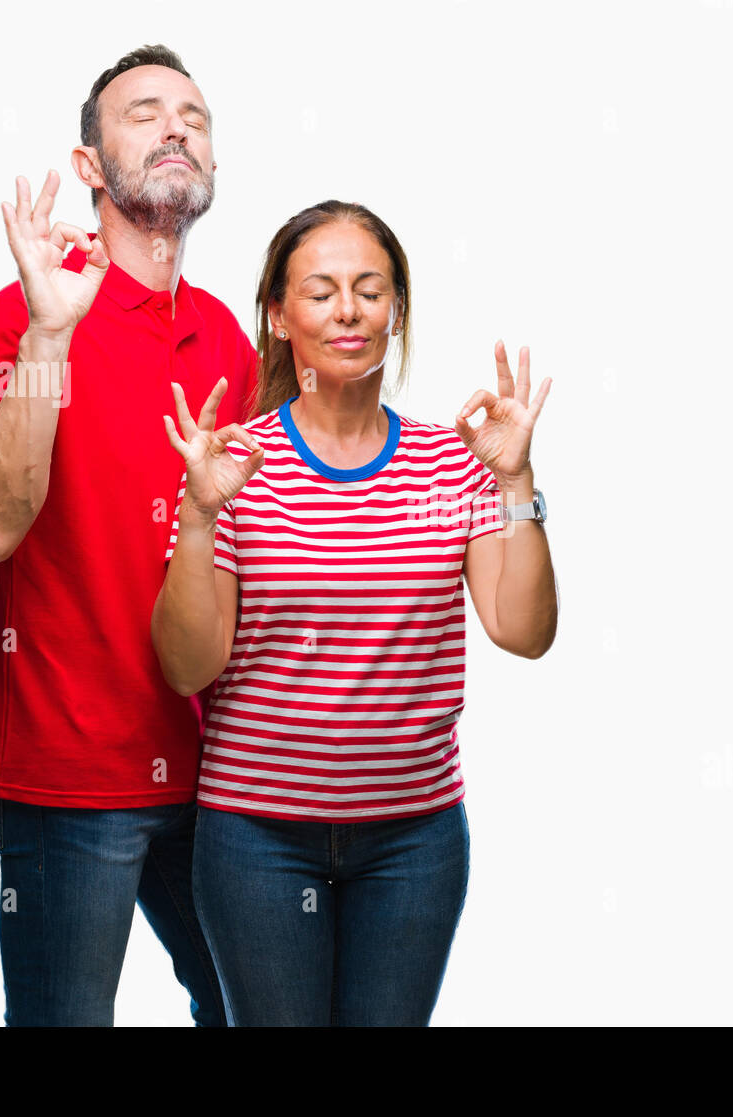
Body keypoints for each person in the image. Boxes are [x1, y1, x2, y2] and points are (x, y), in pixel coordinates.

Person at [151, 200, 558, 1026]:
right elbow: (188, 666)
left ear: (396, 310)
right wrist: (197, 518)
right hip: (256, 838)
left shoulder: (455, 463)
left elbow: (524, 631)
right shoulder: (234, 466)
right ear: (278, 314)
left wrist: (518, 484)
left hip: (414, 840)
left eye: (370, 291)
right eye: (322, 291)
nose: (348, 310)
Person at [0, 44, 255, 1026]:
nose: (177, 127)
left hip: (216, 772)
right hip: (70, 779)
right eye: (145, 112)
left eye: (195, 116)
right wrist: (49, 338)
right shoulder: (21, 317)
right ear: (89, 169)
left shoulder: (227, 338)